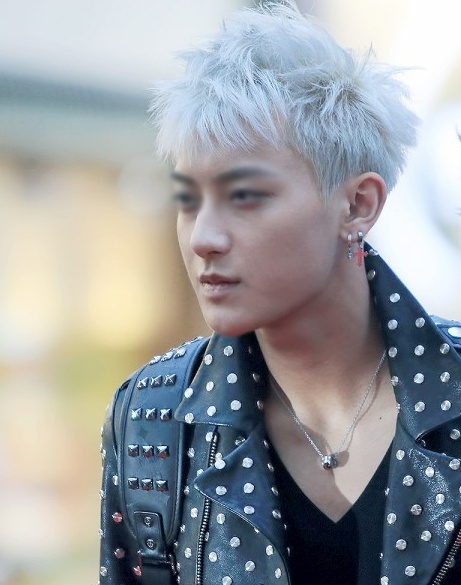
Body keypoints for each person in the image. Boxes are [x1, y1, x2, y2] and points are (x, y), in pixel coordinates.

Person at [98, 3, 461, 584]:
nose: (204, 238)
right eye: (187, 200)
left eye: (244, 196)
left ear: (357, 205)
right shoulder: (153, 417)